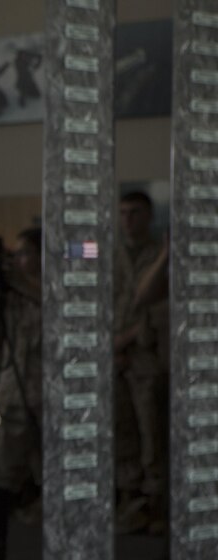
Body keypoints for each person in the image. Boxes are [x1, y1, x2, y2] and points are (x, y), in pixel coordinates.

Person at [0, 228, 42, 560]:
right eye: (16, 255)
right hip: (14, 393)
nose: (20, 261)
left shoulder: (55, 286)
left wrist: (21, 281)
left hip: (50, 394)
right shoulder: (10, 295)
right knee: (1, 469)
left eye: (26, 254)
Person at [113, 191, 169, 535]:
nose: (127, 220)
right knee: (121, 429)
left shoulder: (157, 255)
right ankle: (130, 499)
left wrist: (128, 338)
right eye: (122, 214)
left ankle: (156, 502)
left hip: (147, 355)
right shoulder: (112, 254)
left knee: (151, 430)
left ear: (148, 216)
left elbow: (156, 305)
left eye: (134, 213)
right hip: (114, 355)